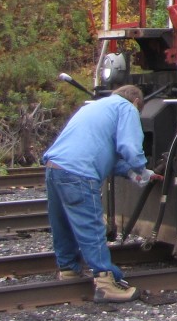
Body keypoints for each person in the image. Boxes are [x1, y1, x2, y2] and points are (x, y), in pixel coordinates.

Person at [42, 84, 154, 303]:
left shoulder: (96, 107)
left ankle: (68, 271)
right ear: (136, 102)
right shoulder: (127, 108)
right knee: (92, 227)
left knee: (62, 224)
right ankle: (105, 283)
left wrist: (133, 174)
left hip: (54, 168)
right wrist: (141, 168)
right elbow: (129, 147)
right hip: (79, 174)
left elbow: (102, 154)